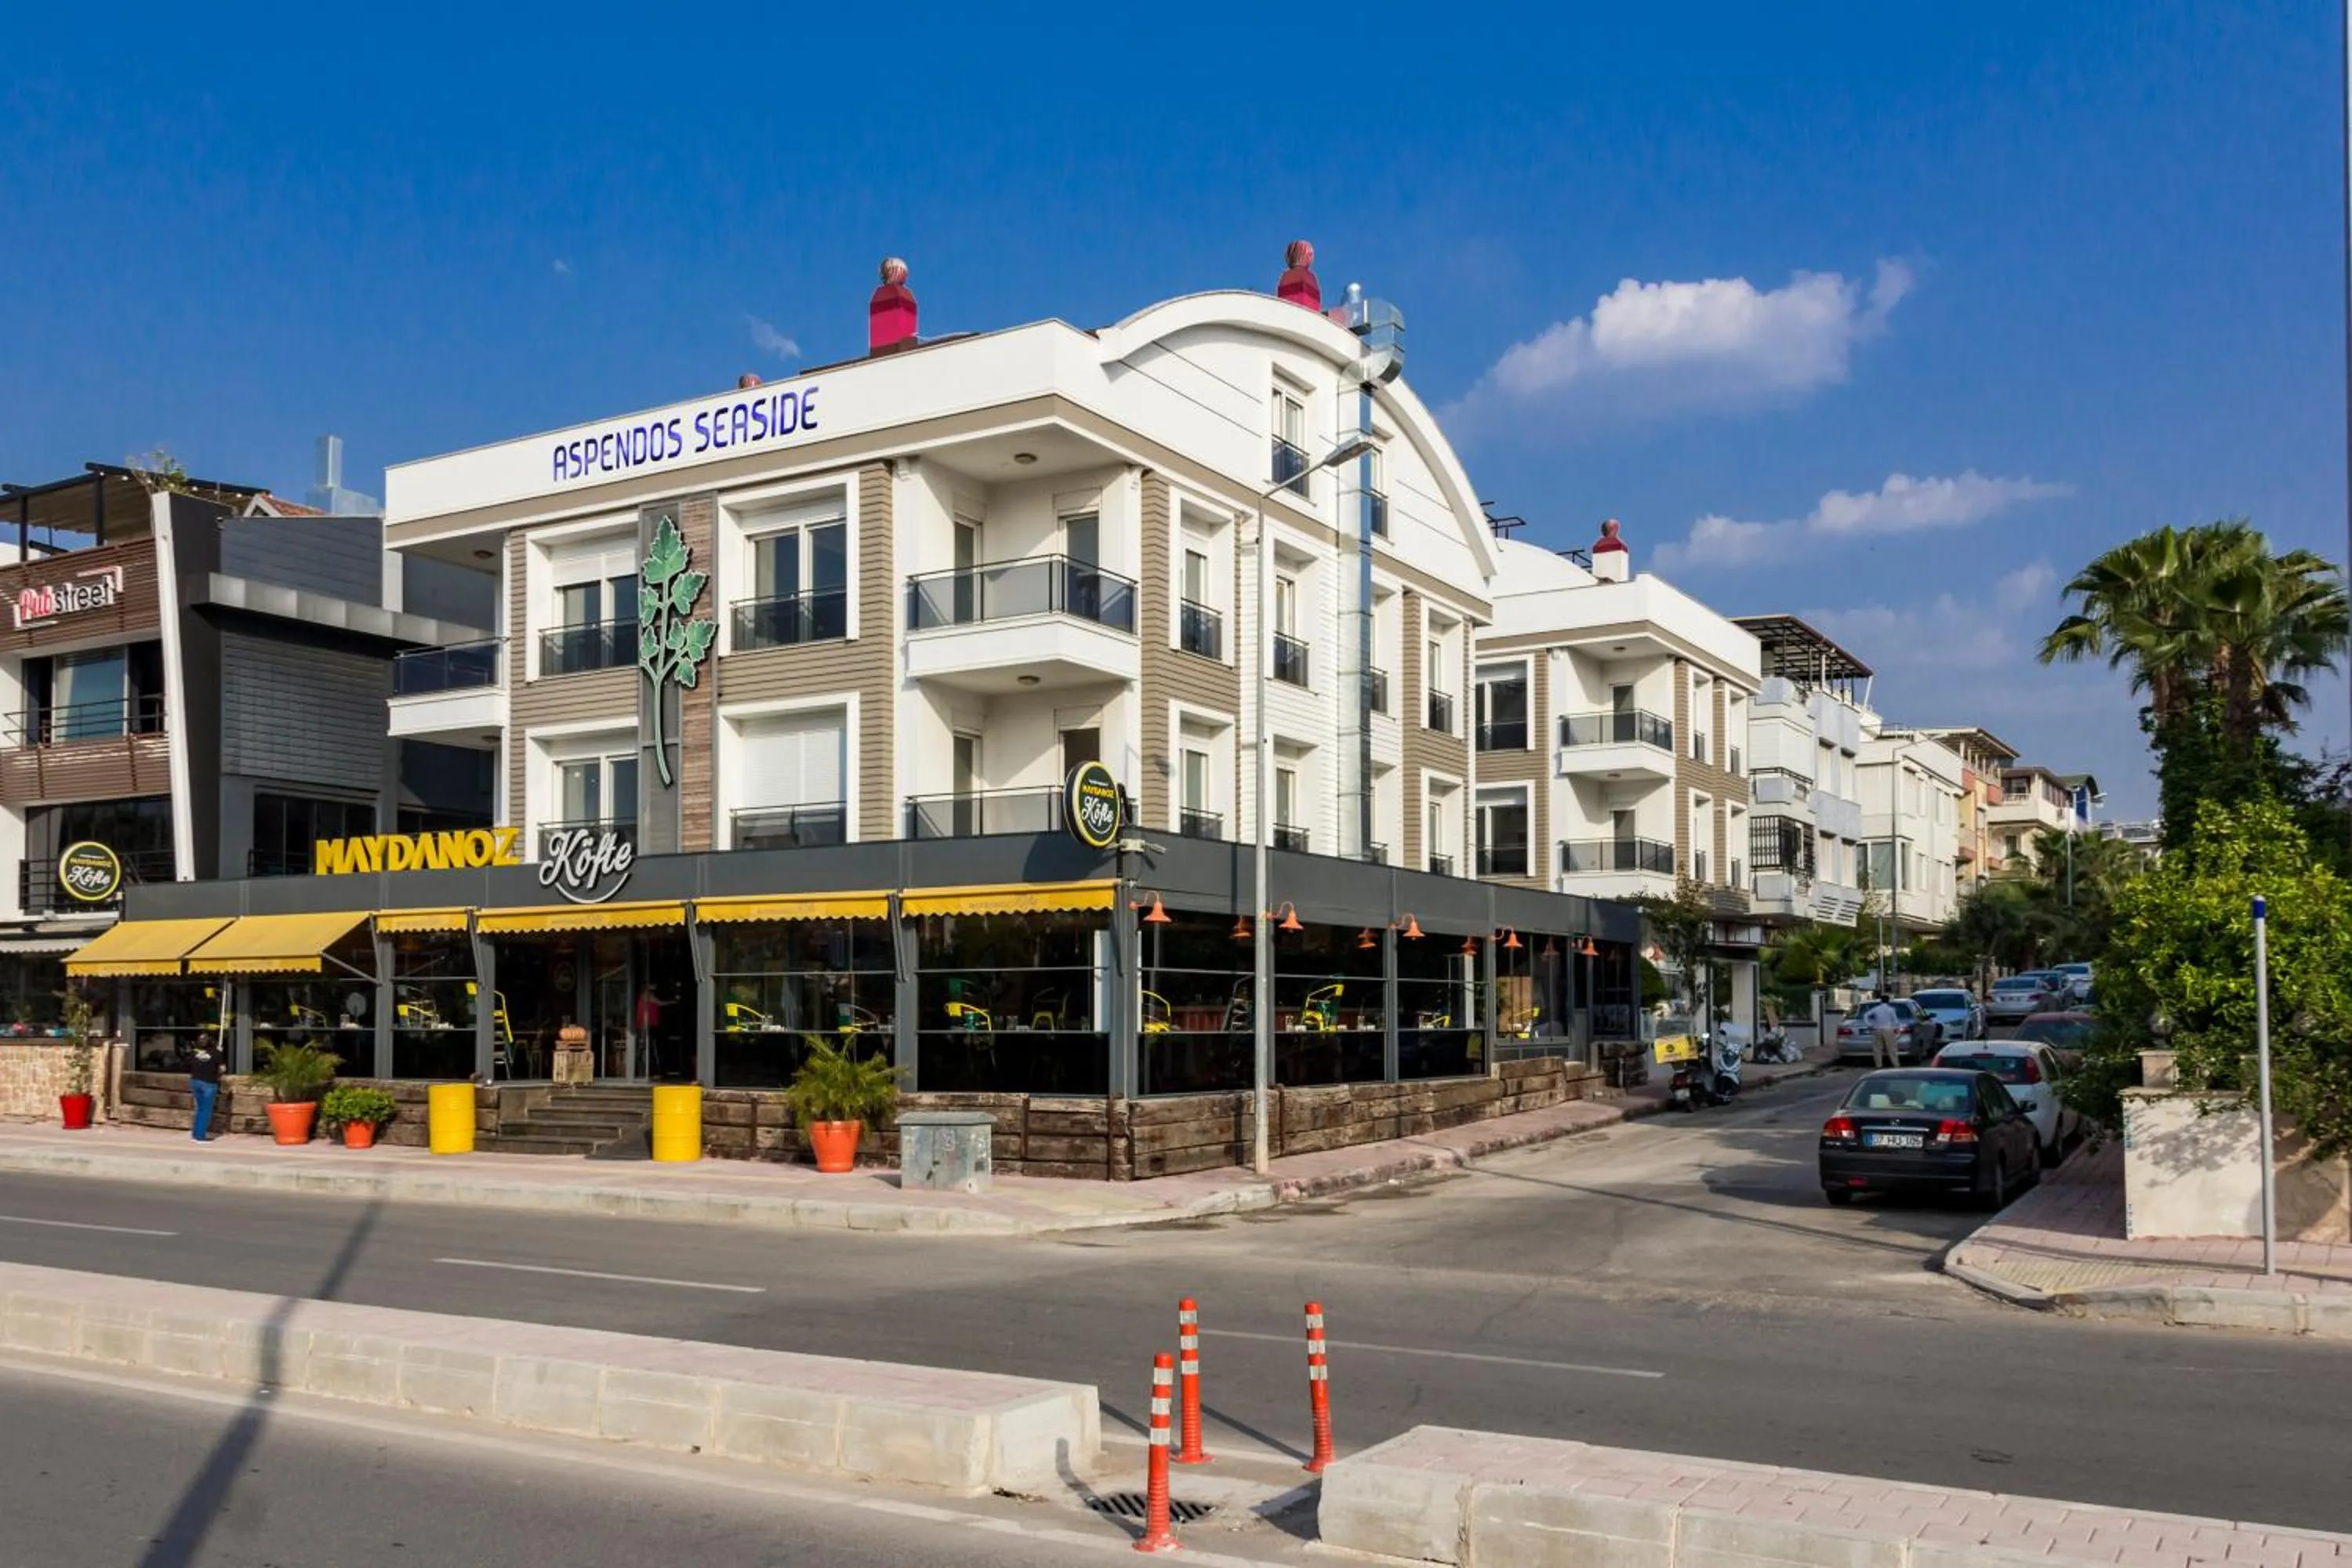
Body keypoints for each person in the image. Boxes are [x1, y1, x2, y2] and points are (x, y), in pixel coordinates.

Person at [187, 1033, 224, 1142]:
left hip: (195, 1082)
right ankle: (200, 1136)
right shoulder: (216, 1053)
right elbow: (223, 1068)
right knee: (206, 1111)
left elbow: (188, 1065)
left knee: (200, 1109)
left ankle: (195, 1134)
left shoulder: (193, 1053)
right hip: (209, 1083)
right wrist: (218, 1054)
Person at [1862, 993, 1901, 1069]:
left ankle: (1879, 1065)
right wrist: (1897, 1029)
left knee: (1877, 1048)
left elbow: (1865, 1015)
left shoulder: (1876, 1009)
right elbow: (1895, 1021)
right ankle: (1896, 1065)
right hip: (1888, 1029)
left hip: (1878, 1029)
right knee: (1892, 1048)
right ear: (1888, 1001)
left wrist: (1869, 1025)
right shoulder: (1891, 1009)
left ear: (1881, 1001)